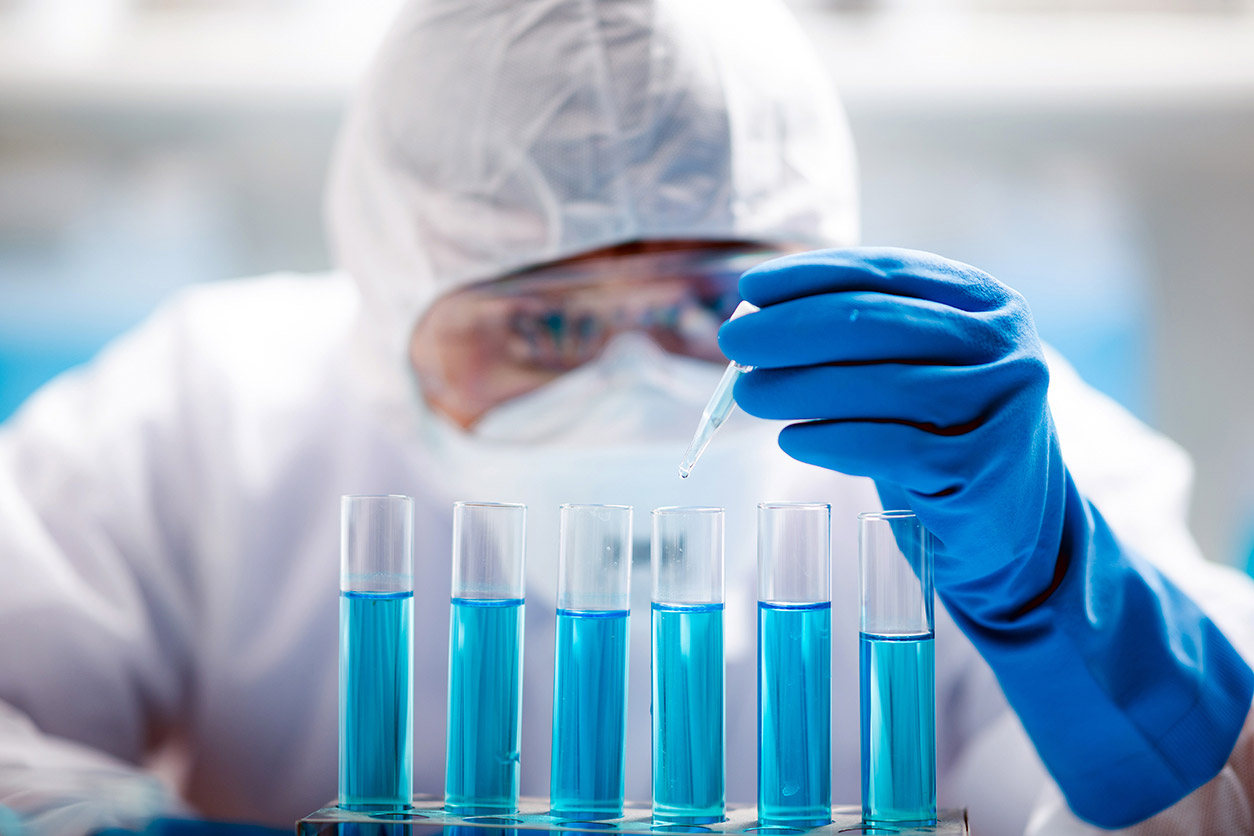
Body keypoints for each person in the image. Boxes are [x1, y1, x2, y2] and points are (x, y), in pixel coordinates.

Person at [0, 1, 1252, 834]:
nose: (639, 383)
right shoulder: (214, 412)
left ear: (808, 271)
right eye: (545, 325)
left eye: (711, 306)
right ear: (392, 310)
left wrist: (1066, 598)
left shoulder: (961, 449)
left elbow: (1215, 799)